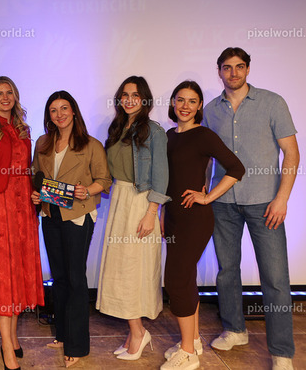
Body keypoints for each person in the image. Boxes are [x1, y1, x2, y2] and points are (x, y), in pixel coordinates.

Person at [204, 47, 299, 370]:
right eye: (227, 67)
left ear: (248, 69)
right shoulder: (210, 110)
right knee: (227, 271)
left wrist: (282, 198)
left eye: (239, 66)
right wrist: (205, 191)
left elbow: (292, 154)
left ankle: (282, 352)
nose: (233, 73)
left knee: (275, 278)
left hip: (265, 203)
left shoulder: (272, 102)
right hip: (223, 204)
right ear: (219, 71)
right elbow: (207, 157)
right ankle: (234, 330)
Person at [160, 81, 244, 370]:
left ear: (199, 106)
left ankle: (188, 354)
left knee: (175, 281)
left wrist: (207, 197)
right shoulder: (169, 136)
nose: (185, 106)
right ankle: (193, 340)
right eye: (180, 100)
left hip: (195, 220)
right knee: (185, 280)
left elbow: (236, 168)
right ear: (173, 103)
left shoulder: (204, 135)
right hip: (173, 217)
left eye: (192, 101)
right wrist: (162, 212)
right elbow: (169, 180)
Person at [30, 91, 112, 368]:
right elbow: (36, 176)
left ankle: (77, 345)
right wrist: (36, 195)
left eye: (64, 108)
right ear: (49, 116)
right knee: (60, 277)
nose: (59, 114)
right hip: (50, 215)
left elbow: (105, 180)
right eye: (53, 110)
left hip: (78, 215)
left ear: (74, 111)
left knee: (76, 278)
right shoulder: (42, 143)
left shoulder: (91, 144)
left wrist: (86, 190)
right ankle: (63, 335)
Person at [0, 76, 44, 370]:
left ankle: (13, 337)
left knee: (17, 274)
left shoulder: (23, 130)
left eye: (9, 92)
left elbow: (27, 169)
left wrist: (35, 196)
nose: (5, 97)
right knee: (3, 278)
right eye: (0, 93)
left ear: (15, 96)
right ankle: (6, 346)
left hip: (22, 209)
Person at [95, 76, 169, 361]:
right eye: (124, 95)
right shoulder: (117, 129)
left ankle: (138, 333)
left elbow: (161, 177)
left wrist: (152, 213)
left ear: (145, 99)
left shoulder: (154, 131)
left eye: (135, 95)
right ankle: (134, 332)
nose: (129, 100)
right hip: (119, 200)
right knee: (121, 270)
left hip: (141, 203)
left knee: (134, 272)